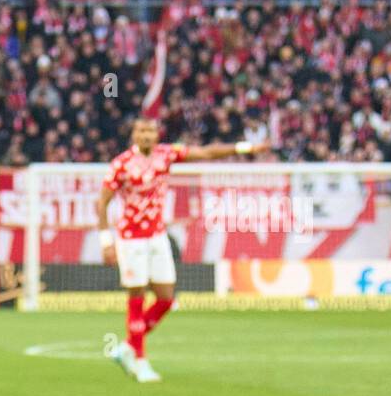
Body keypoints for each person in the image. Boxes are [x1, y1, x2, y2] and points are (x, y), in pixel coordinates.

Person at [97, 117, 270, 382]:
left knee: (166, 298)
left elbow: (208, 152)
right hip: (131, 240)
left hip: (157, 236)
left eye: (151, 131)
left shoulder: (166, 155)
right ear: (133, 134)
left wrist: (244, 148)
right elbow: (102, 202)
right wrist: (105, 242)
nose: (146, 135)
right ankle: (140, 361)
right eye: (141, 130)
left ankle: (129, 347)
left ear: (157, 134)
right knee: (137, 295)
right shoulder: (121, 164)